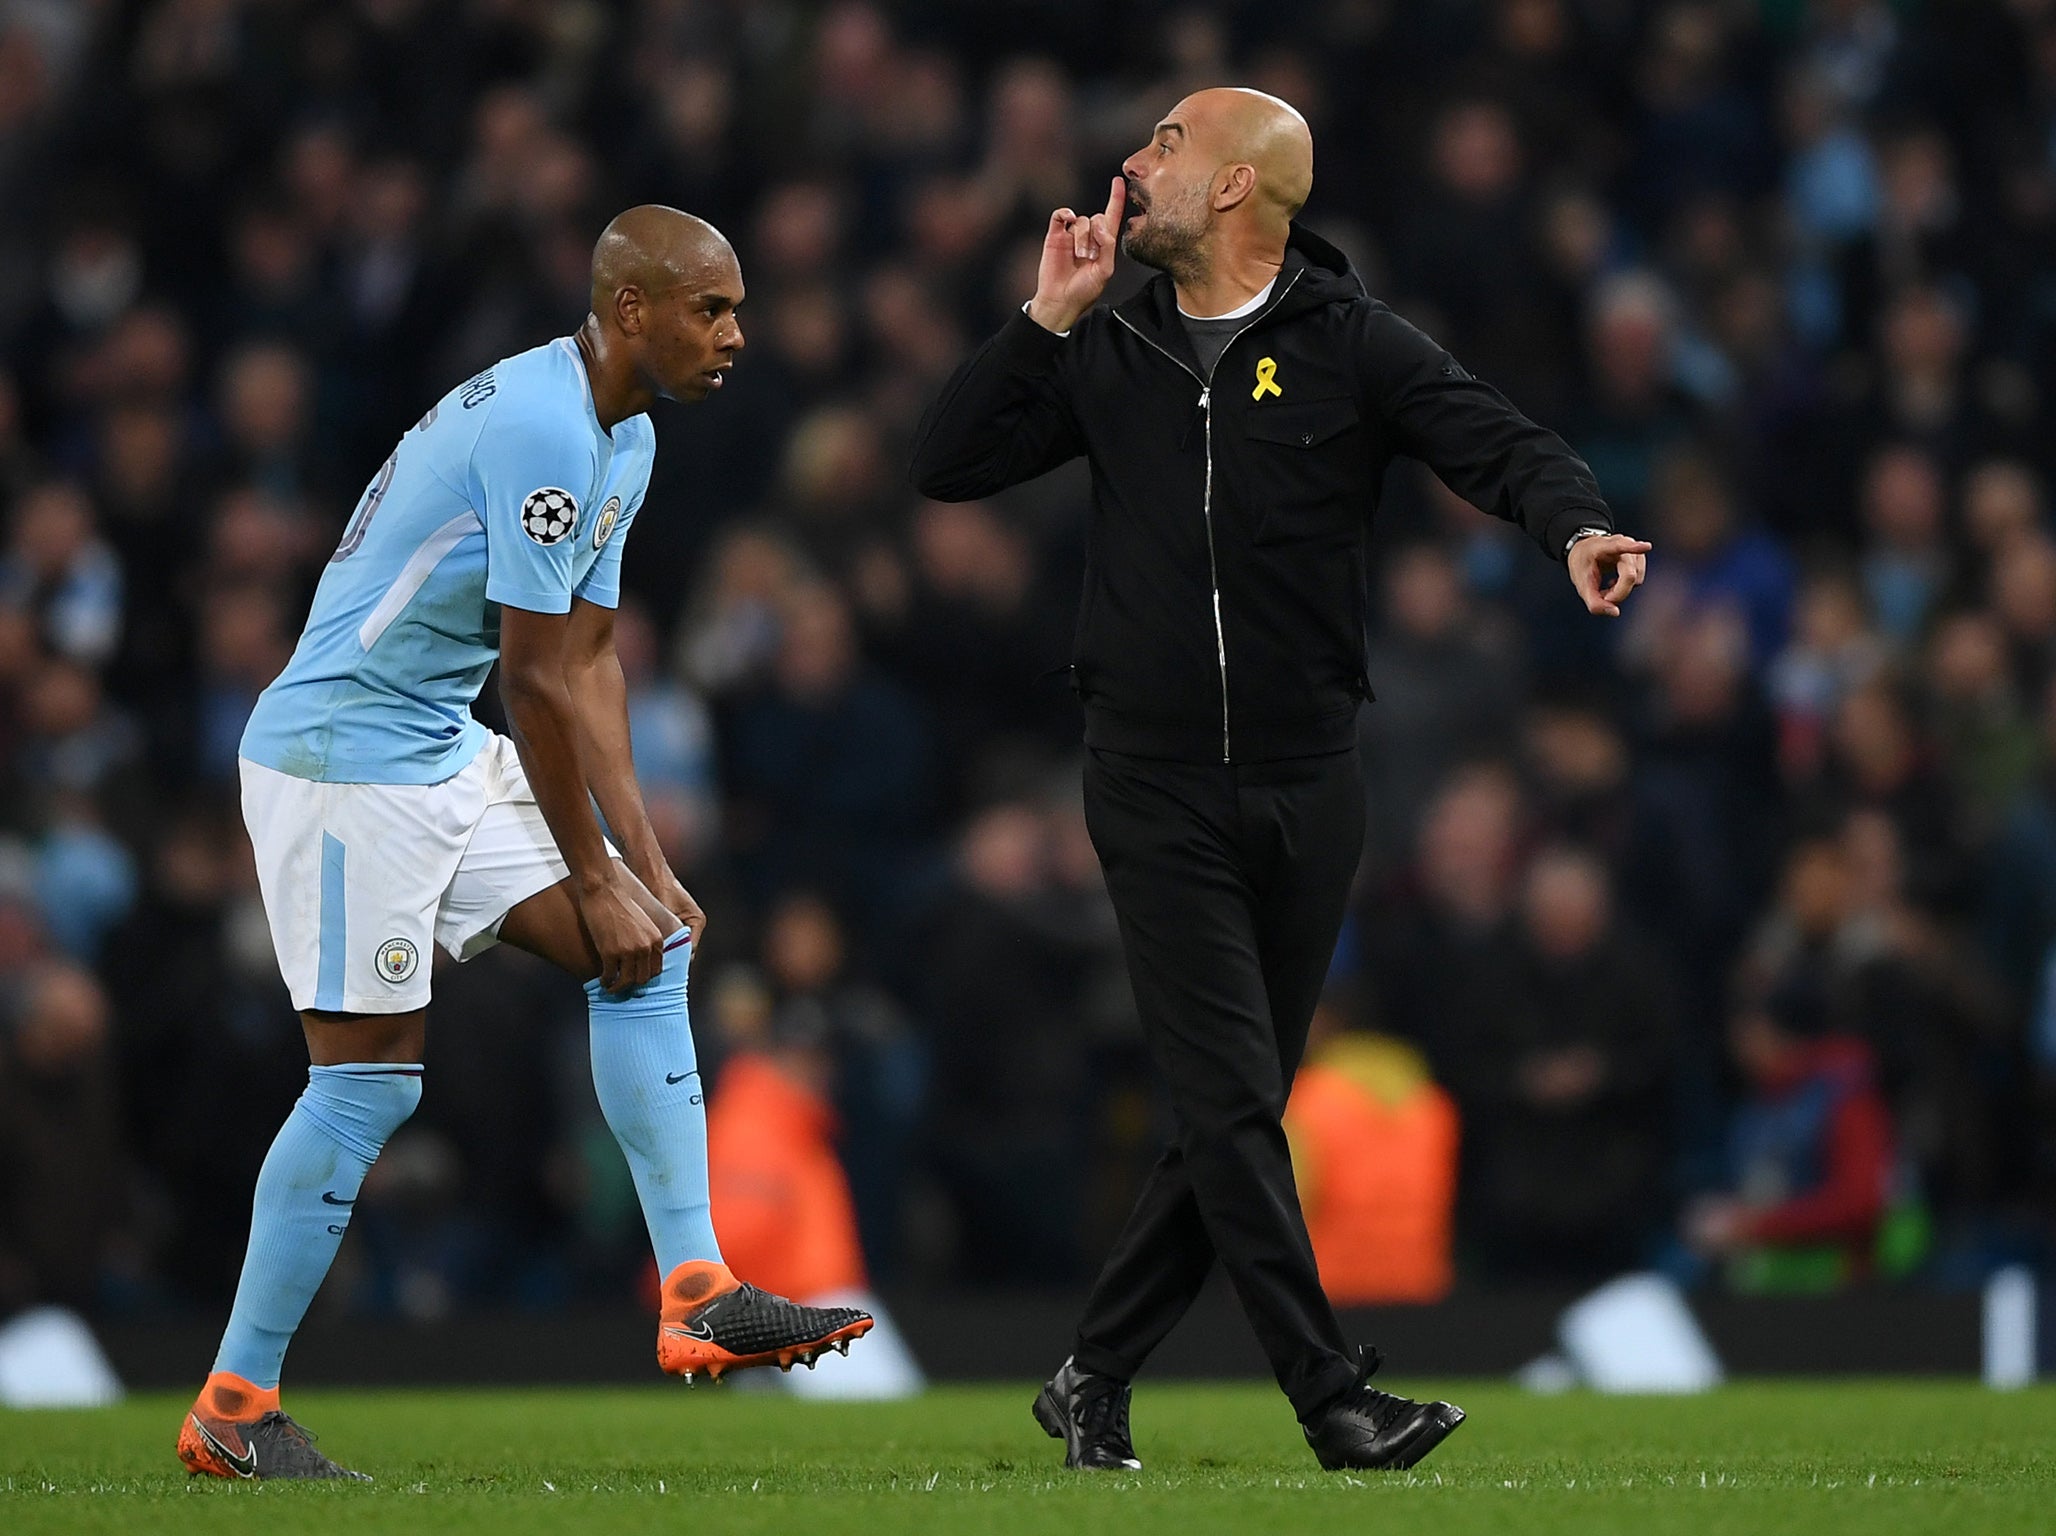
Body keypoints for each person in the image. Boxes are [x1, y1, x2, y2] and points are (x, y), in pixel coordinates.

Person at [912, 88, 1649, 1473]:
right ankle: (1333, 1401)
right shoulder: (1108, 343)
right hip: (1153, 782)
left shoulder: (1348, 345)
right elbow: (944, 464)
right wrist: (1044, 318)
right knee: (1239, 1099)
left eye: (1167, 148)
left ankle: (1094, 1370)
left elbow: (1499, 441)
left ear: (1239, 189)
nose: (1132, 164)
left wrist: (1580, 527)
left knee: (1224, 1111)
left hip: (1313, 785)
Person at [177, 207, 872, 1483]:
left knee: (644, 948)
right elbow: (537, 677)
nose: (735, 334)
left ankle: (695, 1289)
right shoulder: (546, 428)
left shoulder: (627, 433)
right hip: (342, 761)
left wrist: (643, 867)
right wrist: (595, 869)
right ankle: (234, 1398)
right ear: (628, 310)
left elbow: (592, 661)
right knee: (366, 1085)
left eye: (735, 308)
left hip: (434, 739)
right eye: (708, 309)